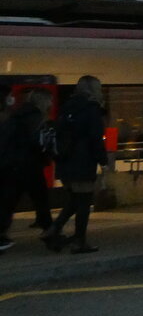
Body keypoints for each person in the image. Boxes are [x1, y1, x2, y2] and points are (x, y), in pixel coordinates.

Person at [43, 76, 109, 254]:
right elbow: (96, 139)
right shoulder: (91, 109)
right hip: (83, 163)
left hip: (65, 163)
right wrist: (104, 161)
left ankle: (53, 230)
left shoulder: (67, 106)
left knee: (74, 200)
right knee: (84, 203)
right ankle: (80, 241)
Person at [0, 89, 55, 251]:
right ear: (43, 101)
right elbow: (38, 142)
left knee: (9, 202)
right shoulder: (35, 118)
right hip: (27, 166)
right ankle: (49, 231)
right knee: (40, 199)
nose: (51, 104)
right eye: (49, 101)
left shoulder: (16, 116)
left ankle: (48, 230)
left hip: (12, 165)